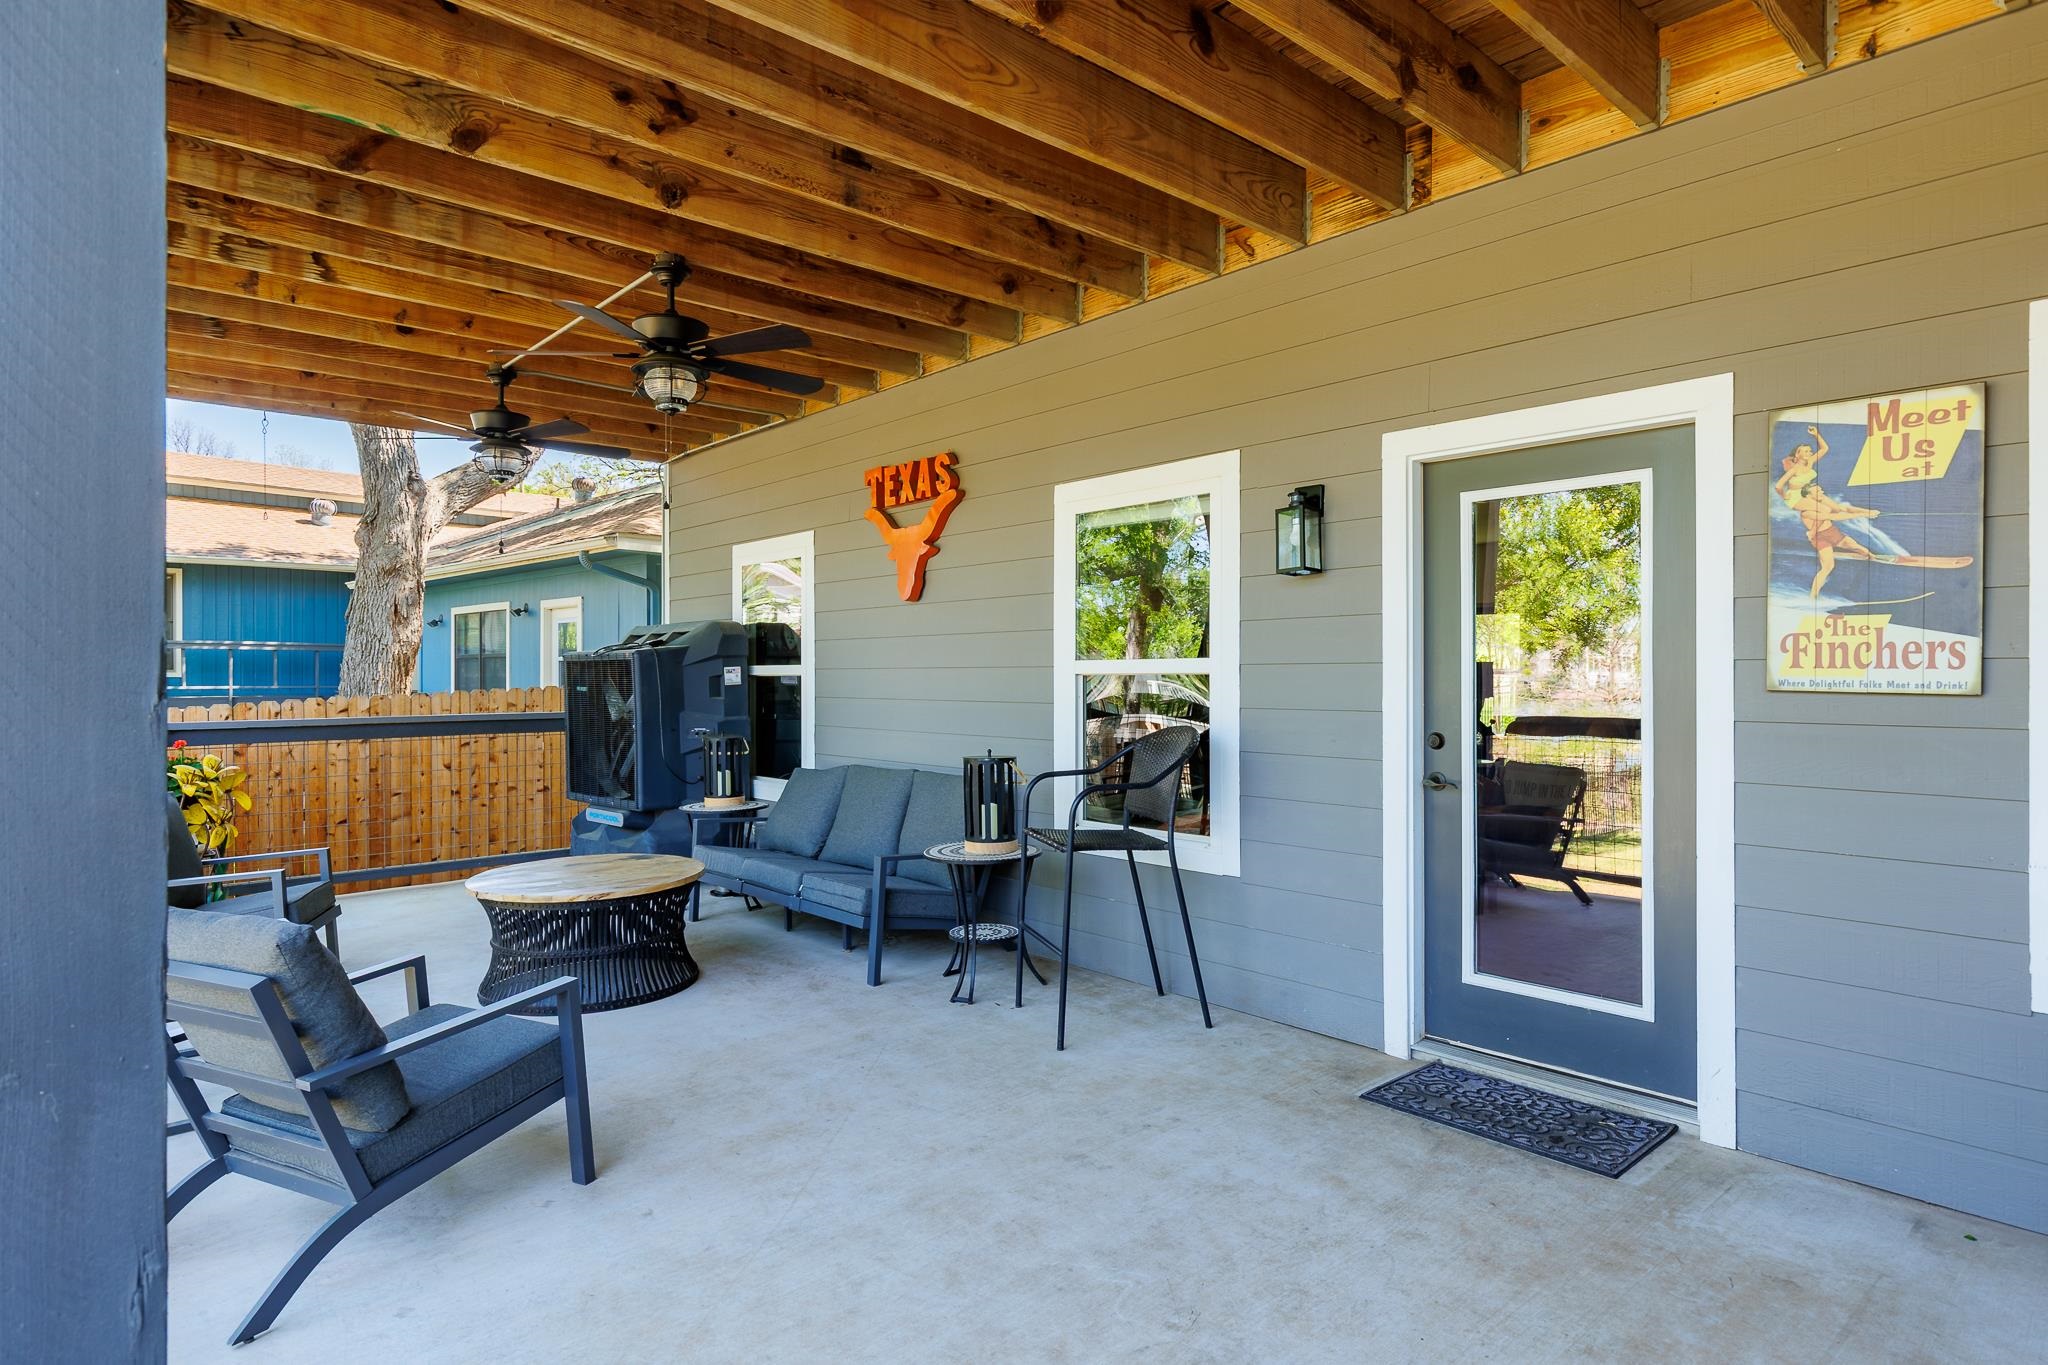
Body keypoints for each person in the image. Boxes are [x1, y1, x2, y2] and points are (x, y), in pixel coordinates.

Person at [1773, 425, 1882, 597]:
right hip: (1797, 498)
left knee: (1837, 507)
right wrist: (1785, 497)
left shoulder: (1810, 463)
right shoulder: (1794, 470)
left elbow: (1825, 448)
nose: (1809, 452)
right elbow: (1779, 486)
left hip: (1809, 492)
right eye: (1805, 451)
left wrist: (1817, 435)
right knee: (1825, 510)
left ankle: (1816, 534)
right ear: (1797, 455)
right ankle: (1813, 533)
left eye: (1809, 450)